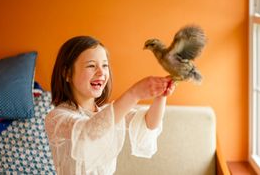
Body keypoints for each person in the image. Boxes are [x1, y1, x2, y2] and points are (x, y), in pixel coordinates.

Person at [45, 35, 175, 175]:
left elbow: (150, 123)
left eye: (105, 65)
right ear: (67, 73)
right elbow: (89, 131)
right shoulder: (57, 118)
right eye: (91, 65)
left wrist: (161, 95)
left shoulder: (108, 112)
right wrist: (134, 93)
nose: (101, 72)